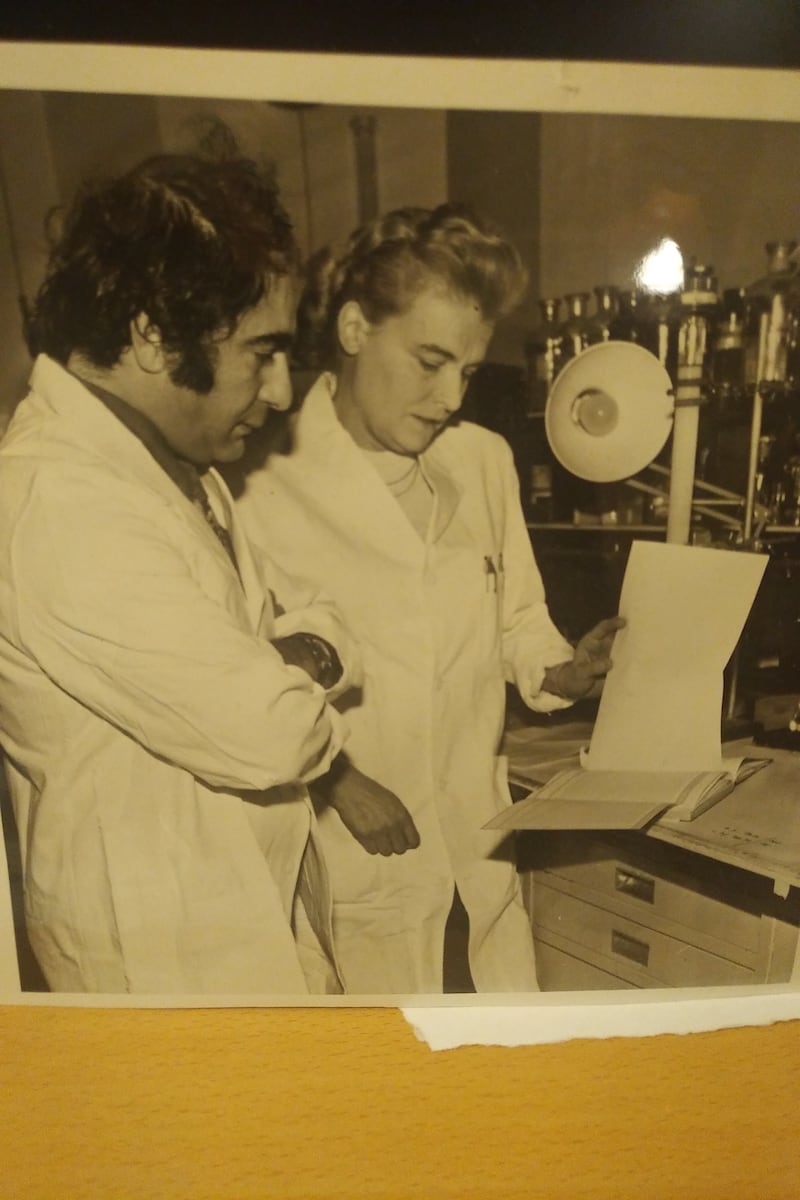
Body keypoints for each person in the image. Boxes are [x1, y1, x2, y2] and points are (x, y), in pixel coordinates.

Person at [233, 204, 623, 994]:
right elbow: (237, 685)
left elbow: (517, 619)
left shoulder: (482, 461)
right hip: (355, 852)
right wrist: (336, 780)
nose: (450, 397)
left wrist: (562, 673)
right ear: (352, 329)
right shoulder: (259, 483)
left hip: (476, 839)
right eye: (430, 361)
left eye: (469, 372)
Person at [0, 153, 365, 995]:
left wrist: (283, 654)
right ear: (151, 334)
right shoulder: (60, 501)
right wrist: (288, 658)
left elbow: (325, 624)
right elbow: (275, 734)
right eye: (261, 352)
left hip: (245, 920)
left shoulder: (174, 465)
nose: (280, 391)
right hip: (161, 965)